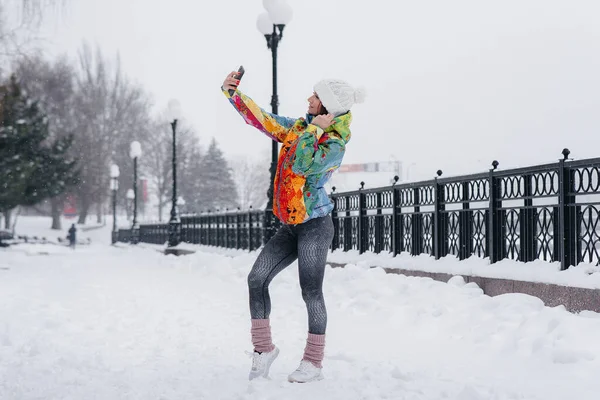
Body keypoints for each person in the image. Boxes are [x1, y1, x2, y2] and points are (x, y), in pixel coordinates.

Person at [222, 71, 365, 383]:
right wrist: (234, 94)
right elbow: (264, 120)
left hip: (315, 225)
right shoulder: (300, 128)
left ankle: (313, 363)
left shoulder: (334, 144)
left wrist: (314, 131)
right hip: (290, 226)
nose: (309, 100)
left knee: (310, 291)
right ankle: (264, 350)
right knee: (256, 279)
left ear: (328, 107)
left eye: (315, 97)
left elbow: (302, 165)